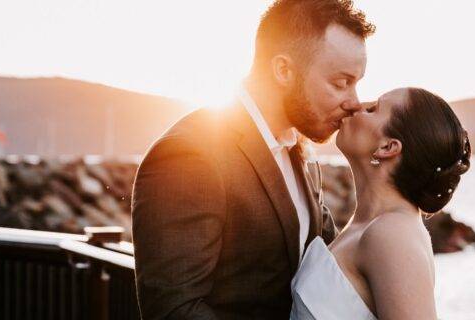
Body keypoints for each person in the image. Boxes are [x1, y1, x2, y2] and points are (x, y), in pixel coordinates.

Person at [131, 0, 375, 318]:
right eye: (341, 83)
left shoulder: (299, 150)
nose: (354, 103)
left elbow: (325, 267)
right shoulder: (190, 155)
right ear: (283, 70)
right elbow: (174, 309)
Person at [290, 87, 472, 319]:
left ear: (388, 147)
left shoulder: (391, 234)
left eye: (374, 108)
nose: (357, 106)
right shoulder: (368, 227)